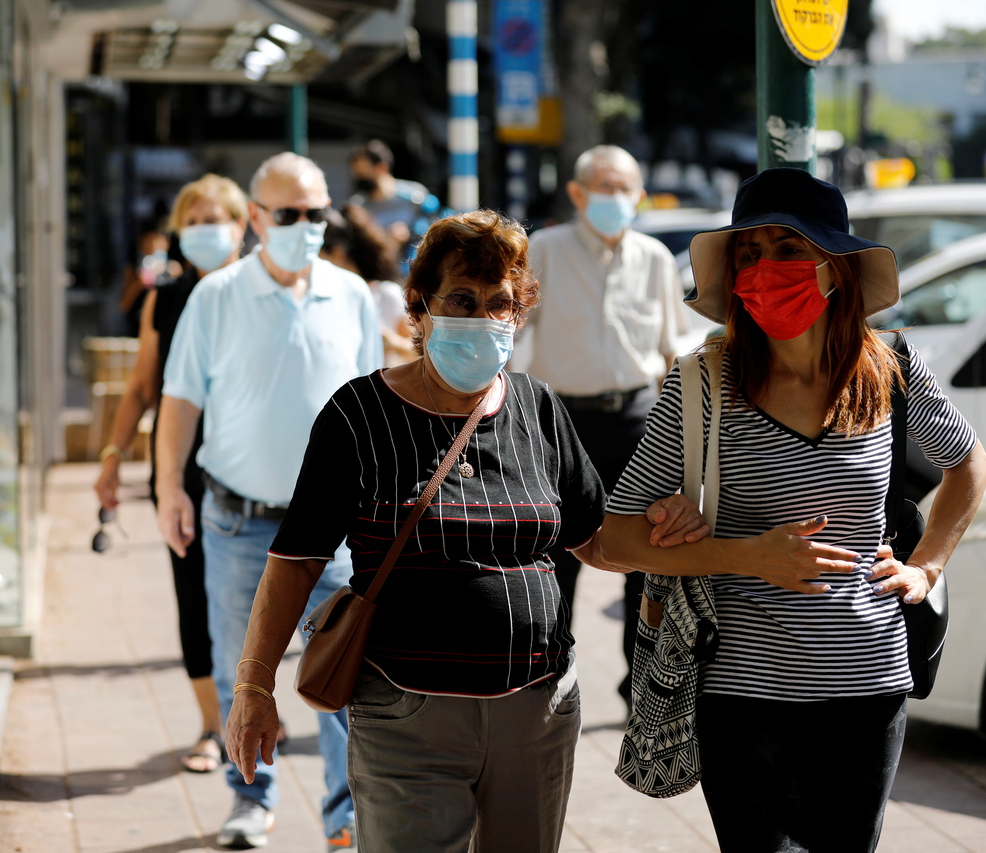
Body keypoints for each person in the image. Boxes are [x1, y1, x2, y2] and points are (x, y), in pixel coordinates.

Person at [223, 210, 705, 853]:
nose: (482, 318)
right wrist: (254, 686)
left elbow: (595, 539)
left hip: (537, 711)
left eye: (499, 303)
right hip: (407, 712)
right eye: (462, 299)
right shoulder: (358, 415)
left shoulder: (538, 407)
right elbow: (296, 559)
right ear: (419, 309)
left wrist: (669, 528)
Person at [595, 168, 986, 853]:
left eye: (787, 248)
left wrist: (926, 568)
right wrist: (745, 556)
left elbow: (969, 463)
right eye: (749, 253)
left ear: (837, 266)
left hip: (869, 686)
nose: (764, 269)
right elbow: (614, 538)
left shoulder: (890, 368)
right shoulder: (701, 384)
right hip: (740, 694)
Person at [156, 152, 380, 851]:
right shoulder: (216, 296)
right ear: (256, 217)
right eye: (289, 213)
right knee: (241, 672)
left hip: (333, 529)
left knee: (340, 671)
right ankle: (250, 798)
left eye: (317, 212)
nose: (305, 225)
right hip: (237, 520)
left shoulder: (351, 294)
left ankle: (346, 814)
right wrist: (167, 487)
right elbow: (180, 401)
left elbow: (373, 406)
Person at [514, 144, 686, 708]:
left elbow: (670, 351)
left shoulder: (655, 257)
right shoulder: (546, 249)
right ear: (577, 193)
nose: (616, 198)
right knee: (556, 556)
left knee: (645, 559)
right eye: (604, 187)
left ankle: (640, 689)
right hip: (562, 423)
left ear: (640, 195)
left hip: (639, 422)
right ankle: (548, 678)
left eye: (625, 188)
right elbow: (515, 334)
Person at [93, 173, 248, 774]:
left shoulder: (262, 293)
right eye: (194, 221)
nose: (205, 230)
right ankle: (213, 724)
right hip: (181, 465)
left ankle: (252, 710)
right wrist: (113, 455)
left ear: (242, 225)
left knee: (259, 596)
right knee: (195, 592)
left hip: (252, 467)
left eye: (216, 219)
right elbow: (141, 386)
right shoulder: (168, 296)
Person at [320, 204, 415, 366]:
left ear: (337, 253)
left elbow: (422, 354)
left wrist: (392, 343)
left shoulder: (386, 294)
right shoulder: (320, 298)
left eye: (318, 253)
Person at [347, 140, 444, 271]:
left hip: (416, 269)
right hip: (378, 272)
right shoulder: (357, 206)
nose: (358, 176)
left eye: (363, 170)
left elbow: (434, 233)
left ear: (381, 168)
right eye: (356, 171)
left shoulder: (415, 196)